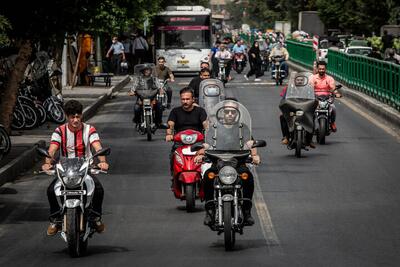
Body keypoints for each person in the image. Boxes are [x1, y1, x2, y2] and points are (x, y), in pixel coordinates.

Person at [42, 100, 109, 236]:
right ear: (67, 117)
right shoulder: (59, 131)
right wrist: (47, 163)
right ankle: (55, 219)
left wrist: (102, 162)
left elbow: (97, 147)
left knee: (99, 189)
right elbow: (52, 149)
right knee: (50, 191)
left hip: (85, 169)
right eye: (72, 117)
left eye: (78, 116)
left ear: (81, 116)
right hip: (65, 170)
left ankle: (96, 217)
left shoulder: (90, 129)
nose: (75, 120)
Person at [195, 98, 261, 226]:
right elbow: (207, 144)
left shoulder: (243, 128)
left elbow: (250, 143)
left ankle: (247, 211)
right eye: (227, 111)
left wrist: (255, 155)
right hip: (218, 164)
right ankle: (210, 211)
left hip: (238, 164)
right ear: (222, 112)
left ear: (237, 113)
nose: (230, 114)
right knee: (208, 177)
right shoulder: (214, 128)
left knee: (248, 177)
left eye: (233, 112)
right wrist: (200, 153)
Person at [165, 87, 208, 176]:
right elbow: (170, 124)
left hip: (198, 143)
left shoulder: (200, 111)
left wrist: (209, 134)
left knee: (207, 159)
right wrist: (169, 134)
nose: (185, 101)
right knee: (173, 156)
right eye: (183, 99)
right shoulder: (175, 111)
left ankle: (204, 177)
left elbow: (206, 125)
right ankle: (175, 177)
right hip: (180, 143)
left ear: (193, 99)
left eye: (187, 99)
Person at [309, 61, 342, 132]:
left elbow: (333, 88)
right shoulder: (312, 78)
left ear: (325, 69)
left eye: (323, 69)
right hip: (315, 99)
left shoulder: (329, 78)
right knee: (309, 110)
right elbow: (309, 87)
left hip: (326, 99)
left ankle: (332, 123)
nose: (321, 70)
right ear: (317, 69)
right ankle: (309, 125)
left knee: (333, 108)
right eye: (320, 69)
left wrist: (336, 93)